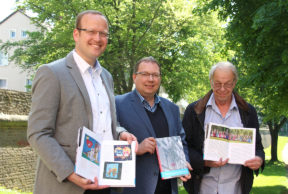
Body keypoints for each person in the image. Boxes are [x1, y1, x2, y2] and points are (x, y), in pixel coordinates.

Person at [27, 10, 136, 194]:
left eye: (103, 33)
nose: (98, 38)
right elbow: (38, 133)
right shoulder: (52, 73)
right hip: (67, 184)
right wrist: (69, 172)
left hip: (105, 182)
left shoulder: (106, 77)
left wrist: (121, 134)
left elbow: (106, 123)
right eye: (91, 32)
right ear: (76, 34)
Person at [182, 61, 265, 194]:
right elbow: (184, 147)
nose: (222, 89)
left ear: (234, 83)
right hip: (203, 188)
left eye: (227, 84)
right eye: (217, 84)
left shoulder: (248, 111)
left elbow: (258, 148)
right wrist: (205, 162)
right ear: (211, 82)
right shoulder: (194, 110)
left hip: (236, 188)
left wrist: (259, 159)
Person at [112, 57, 192, 194]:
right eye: (145, 74)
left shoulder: (172, 108)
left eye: (155, 75)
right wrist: (136, 149)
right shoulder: (117, 104)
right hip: (133, 189)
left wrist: (184, 162)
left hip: (168, 188)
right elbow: (109, 140)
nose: (151, 79)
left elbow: (181, 141)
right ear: (134, 77)